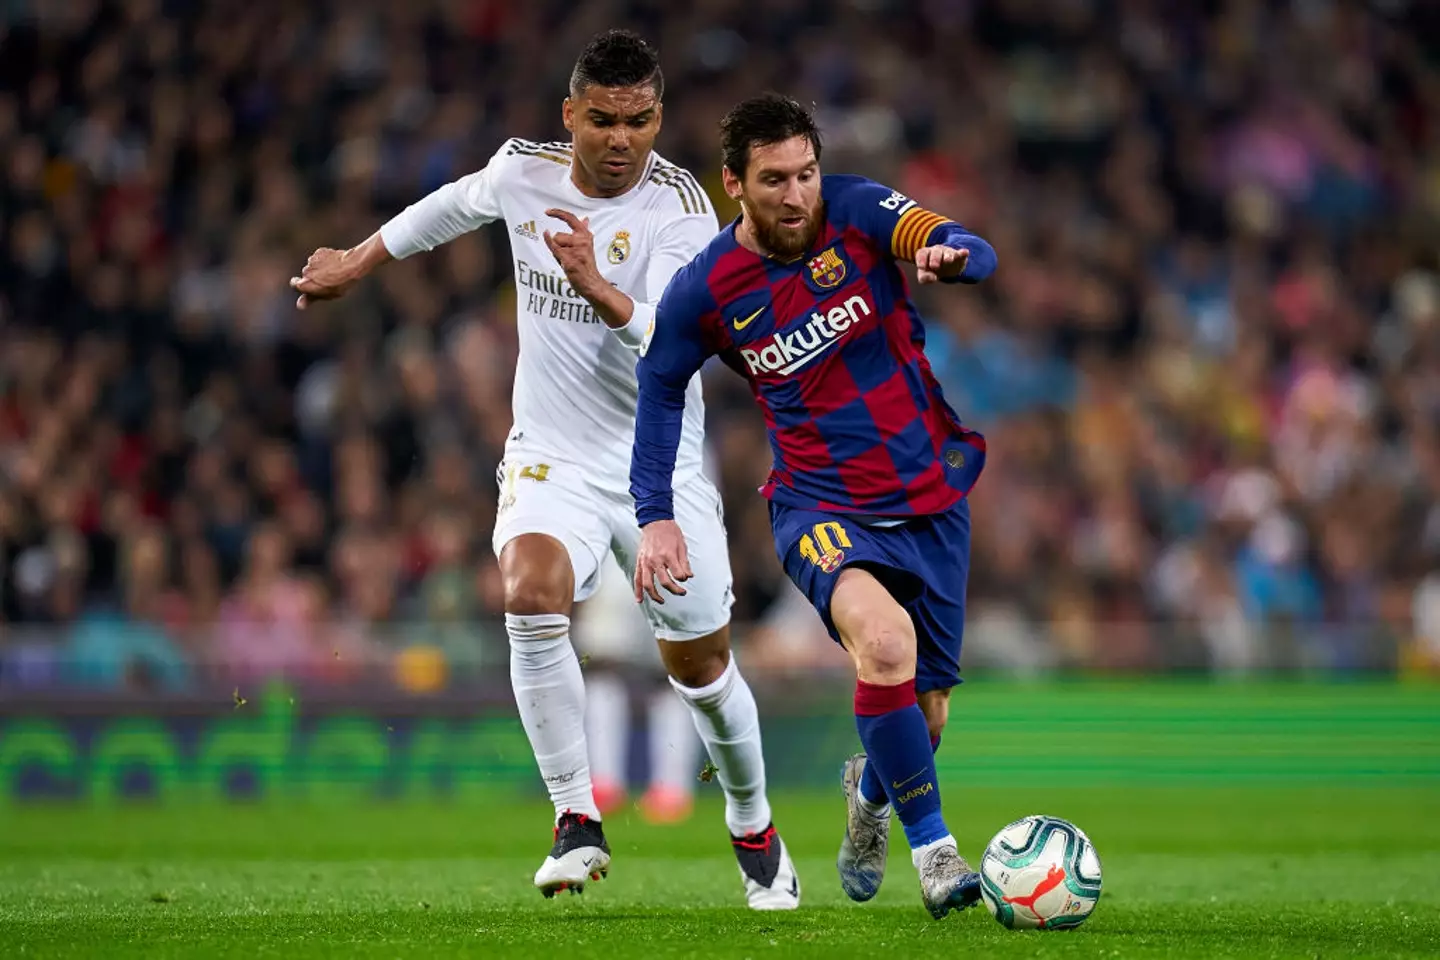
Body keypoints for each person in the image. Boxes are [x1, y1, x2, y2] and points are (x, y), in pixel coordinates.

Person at [290, 33, 797, 910]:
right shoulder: (524, 171)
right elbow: (450, 206)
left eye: (638, 121)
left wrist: (597, 287)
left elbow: (673, 339)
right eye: (601, 119)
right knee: (529, 595)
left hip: (658, 464)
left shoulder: (681, 207)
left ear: (658, 120)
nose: (619, 139)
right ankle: (575, 819)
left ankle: (753, 824)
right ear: (571, 116)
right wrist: (356, 261)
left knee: (702, 671)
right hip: (550, 455)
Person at [629, 93, 997, 919]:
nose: (797, 195)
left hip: (930, 497)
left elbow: (963, 243)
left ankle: (870, 795)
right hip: (818, 504)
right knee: (885, 639)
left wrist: (953, 256)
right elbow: (657, 386)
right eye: (774, 180)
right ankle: (935, 851)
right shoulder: (709, 289)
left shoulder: (860, 211)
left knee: (925, 720)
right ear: (734, 184)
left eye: (805, 173)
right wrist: (655, 512)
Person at [574, 552, 702, 824]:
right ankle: (664, 789)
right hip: (668, 548)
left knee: (611, 670)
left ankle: (612, 784)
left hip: (637, 548)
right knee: (669, 676)